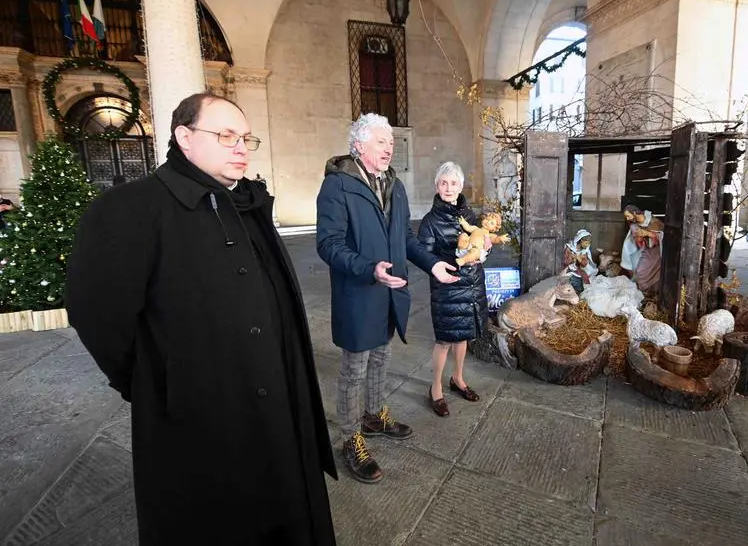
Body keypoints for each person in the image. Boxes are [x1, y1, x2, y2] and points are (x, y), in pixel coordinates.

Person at [65, 93, 337, 546]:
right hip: (199, 411)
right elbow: (97, 315)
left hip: (275, 401)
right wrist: (155, 378)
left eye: (246, 138)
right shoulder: (130, 208)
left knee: (284, 504)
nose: (241, 148)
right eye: (225, 136)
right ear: (184, 138)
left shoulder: (246, 203)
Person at [316, 113, 458, 484]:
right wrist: (368, 268)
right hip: (359, 293)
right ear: (359, 146)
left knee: (382, 357)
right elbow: (328, 244)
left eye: (391, 142)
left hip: (391, 292)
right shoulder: (338, 186)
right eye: (382, 142)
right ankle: (350, 437)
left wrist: (433, 265)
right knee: (354, 369)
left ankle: (375, 415)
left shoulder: (394, 185)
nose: (389, 147)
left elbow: (407, 240)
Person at [416, 162, 487, 417]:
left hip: (472, 283)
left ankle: (458, 378)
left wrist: (482, 253)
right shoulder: (430, 221)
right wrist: (451, 258)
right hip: (447, 286)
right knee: (444, 340)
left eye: (453, 183)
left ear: (460, 186)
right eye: (443, 183)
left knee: (463, 334)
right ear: (437, 186)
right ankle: (435, 389)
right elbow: (424, 256)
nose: (448, 188)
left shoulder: (469, 215)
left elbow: (479, 240)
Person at [620, 204, 664, 295]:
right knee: (640, 272)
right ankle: (644, 293)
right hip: (646, 251)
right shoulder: (634, 225)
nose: (627, 219)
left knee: (656, 274)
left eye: (628, 216)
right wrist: (639, 238)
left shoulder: (653, 222)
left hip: (657, 252)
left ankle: (652, 293)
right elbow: (636, 240)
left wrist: (647, 233)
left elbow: (663, 235)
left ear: (635, 213)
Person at [563, 228, 598, 293]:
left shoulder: (584, 251)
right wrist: (573, 258)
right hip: (568, 269)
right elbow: (565, 261)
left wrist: (579, 259)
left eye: (589, 243)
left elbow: (584, 264)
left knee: (584, 283)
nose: (588, 245)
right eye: (586, 243)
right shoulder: (569, 248)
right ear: (581, 241)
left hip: (578, 270)